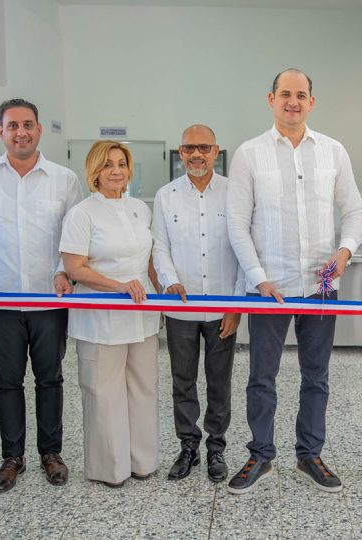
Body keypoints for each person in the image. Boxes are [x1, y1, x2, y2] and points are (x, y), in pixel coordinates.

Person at [225, 68, 362, 494]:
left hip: (320, 288)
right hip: (269, 289)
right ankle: (260, 455)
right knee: (261, 377)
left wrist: (344, 252)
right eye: (285, 93)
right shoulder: (249, 154)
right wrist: (258, 278)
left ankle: (310, 455)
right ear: (271, 99)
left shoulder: (333, 151)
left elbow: (354, 211)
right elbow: (237, 224)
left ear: (312, 102)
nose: (293, 101)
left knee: (316, 376)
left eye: (301, 95)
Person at [0, 99, 83, 493]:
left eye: (28, 124)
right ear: (1, 132)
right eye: (13, 126)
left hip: (49, 301)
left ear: (39, 129)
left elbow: (76, 235)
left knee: (50, 380)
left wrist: (63, 271)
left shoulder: (64, 179)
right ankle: (13, 457)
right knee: (7, 383)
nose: (21, 132)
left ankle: (51, 453)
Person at [60, 140, 161, 488]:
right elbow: (74, 268)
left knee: (143, 388)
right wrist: (118, 286)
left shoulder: (140, 209)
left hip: (142, 313)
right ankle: (110, 469)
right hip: (100, 316)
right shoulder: (82, 213)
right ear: (94, 171)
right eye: (107, 164)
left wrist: (162, 294)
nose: (116, 171)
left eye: (121, 164)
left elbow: (148, 259)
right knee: (104, 393)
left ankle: (143, 462)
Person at [152, 125, 243, 483]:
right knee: (183, 381)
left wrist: (236, 306)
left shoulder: (235, 193)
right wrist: (168, 280)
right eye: (189, 148)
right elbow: (160, 246)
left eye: (204, 148)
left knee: (219, 382)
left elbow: (244, 250)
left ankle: (216, 448)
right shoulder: (166, 196)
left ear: (216, 151)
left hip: (222, 307)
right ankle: (188, 446)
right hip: (181, 306)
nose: (196, 154)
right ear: (181, 152)